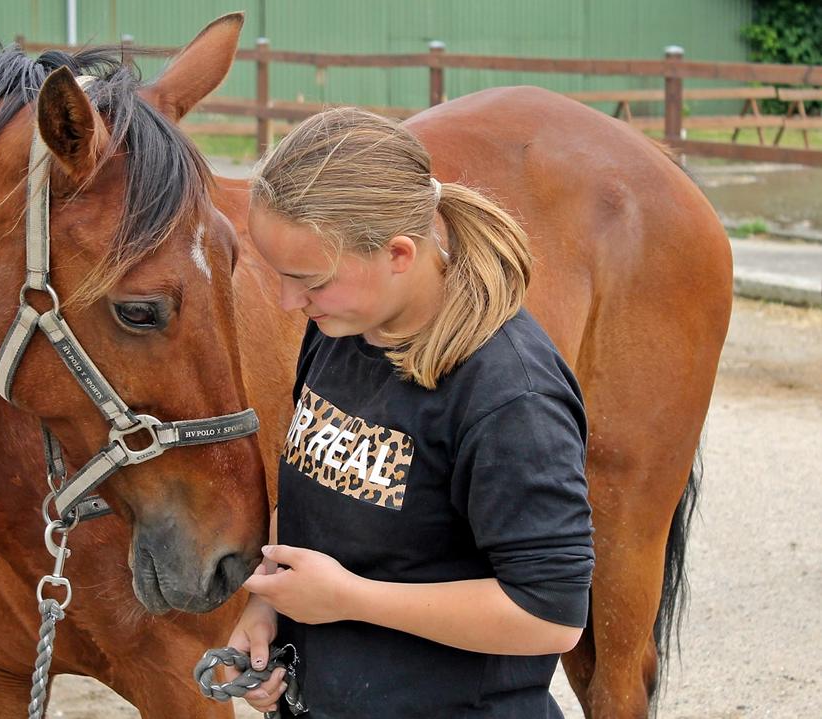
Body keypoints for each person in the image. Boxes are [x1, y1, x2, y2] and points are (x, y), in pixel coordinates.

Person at [225, 107, 595, 718]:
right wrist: (270, 609)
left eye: (310, 279)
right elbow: (312, 494)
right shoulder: (341, 329)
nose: (291, 302)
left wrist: (351, 599)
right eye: (281, 276)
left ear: (398, 253)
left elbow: (549, 615)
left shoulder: (511, 398)